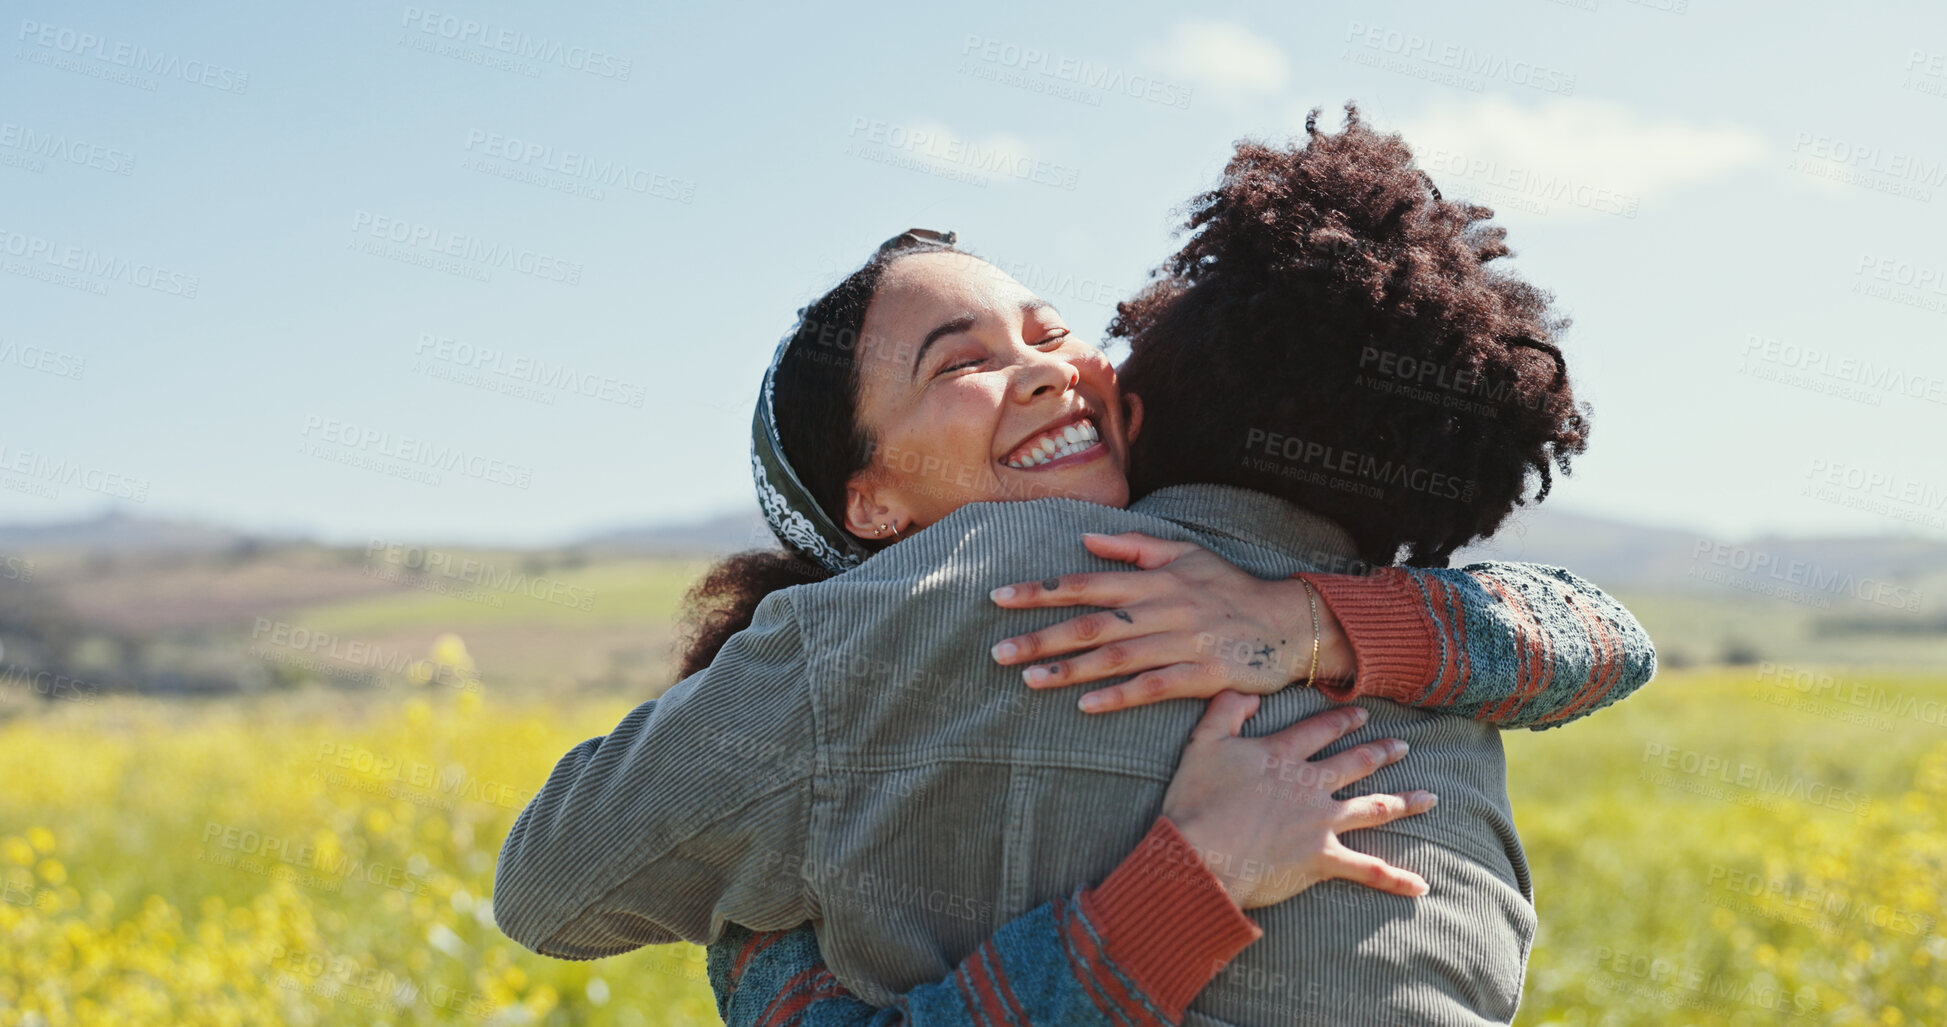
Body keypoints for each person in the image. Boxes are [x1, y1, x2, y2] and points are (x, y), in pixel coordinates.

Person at [495, 107, 1655, 1026]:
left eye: (1052, 334)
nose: (1047, 372)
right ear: (874, 499)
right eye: (964, 363)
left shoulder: (1291, 596)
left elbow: (551, 891)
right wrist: (1187, 882)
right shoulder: (885, 637)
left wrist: (1305, 619)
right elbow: (1606, 638)